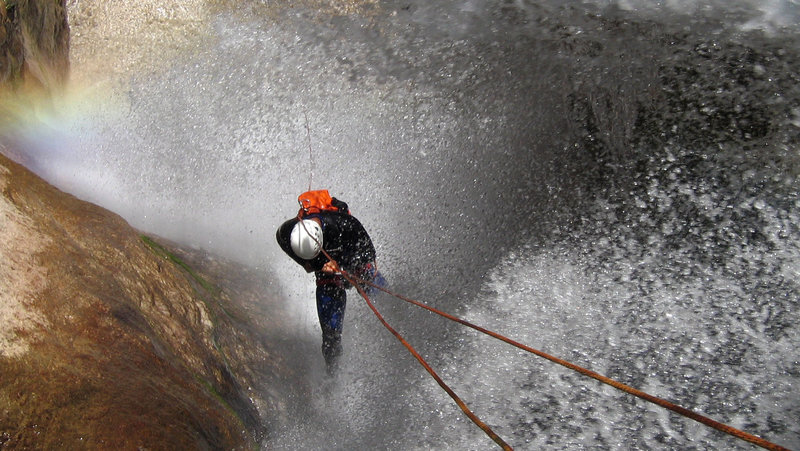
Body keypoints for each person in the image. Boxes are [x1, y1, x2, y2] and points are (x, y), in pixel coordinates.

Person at [276, 191, 384, 373]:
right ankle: (333, 375)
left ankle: (400, 317)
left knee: (378, 292)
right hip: (327, 273)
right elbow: (308, 266)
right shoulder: (287, 232)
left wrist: (345, 268)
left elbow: (369, 255)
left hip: (352, 259)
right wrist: (318, 264)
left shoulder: (346, 225)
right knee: (331, 336)